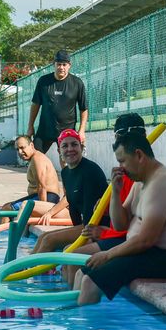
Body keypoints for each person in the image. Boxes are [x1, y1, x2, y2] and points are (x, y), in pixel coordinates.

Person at [73, 121, 166, 305]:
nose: (121, 167)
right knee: (82, 271)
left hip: (165, 258)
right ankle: (75, 316)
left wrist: (107, 255)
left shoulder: (161, 184)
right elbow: (121, 224)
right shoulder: (140, 181)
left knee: (91, 281)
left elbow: (147, 240)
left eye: (123, 161)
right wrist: (115, 191)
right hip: (143, 248)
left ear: (139, 155)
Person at [63, 114, 140, 285]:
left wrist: (104, 232)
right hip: (119, 234)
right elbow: (123, 214)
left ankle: (70, 308)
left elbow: (136, 228)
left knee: (72, 258)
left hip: (131, 242)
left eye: (74, 144)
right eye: (65, 146)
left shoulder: (141, 176)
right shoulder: (126, 172)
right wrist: (106, 206)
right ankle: (67, 301)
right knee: (68, 254)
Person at [31, 129, 108, 254]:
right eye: (65, 146)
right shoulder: (66, 173)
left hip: (99, 227)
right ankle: (25, 270)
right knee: (42, 237)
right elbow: (73, 207)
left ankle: (29, 271)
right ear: (59, 151)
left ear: (81, 147)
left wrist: (79, 236)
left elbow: (90, 215)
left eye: (74, 144)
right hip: (86, 225)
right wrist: (74, 230)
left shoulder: (90, 170)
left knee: (49, 240)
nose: (70, 149)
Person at [26, 50, 88, 154]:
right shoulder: (43, 81)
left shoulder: (77, 83)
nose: (61, 67)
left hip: (66, 131)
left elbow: (83, 109)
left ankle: (65, 170)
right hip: (45, 130)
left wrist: (82, 131)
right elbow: (35, 104)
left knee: (66, 160)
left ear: (69, 65)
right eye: (59, 64)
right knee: (35, 156)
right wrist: (30, 126)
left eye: (64, 64)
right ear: (54, 64)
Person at [0, 135, 66, 224]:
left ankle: (4, 236)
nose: (20, 152)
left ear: (31, 145)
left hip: (48, 197)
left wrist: (43, 209)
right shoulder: (35, 158)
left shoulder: (37, 159)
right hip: (46, 197)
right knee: (9, 208)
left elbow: (42, 187)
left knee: (6, 209)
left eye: (22, 148)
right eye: (17, 149)